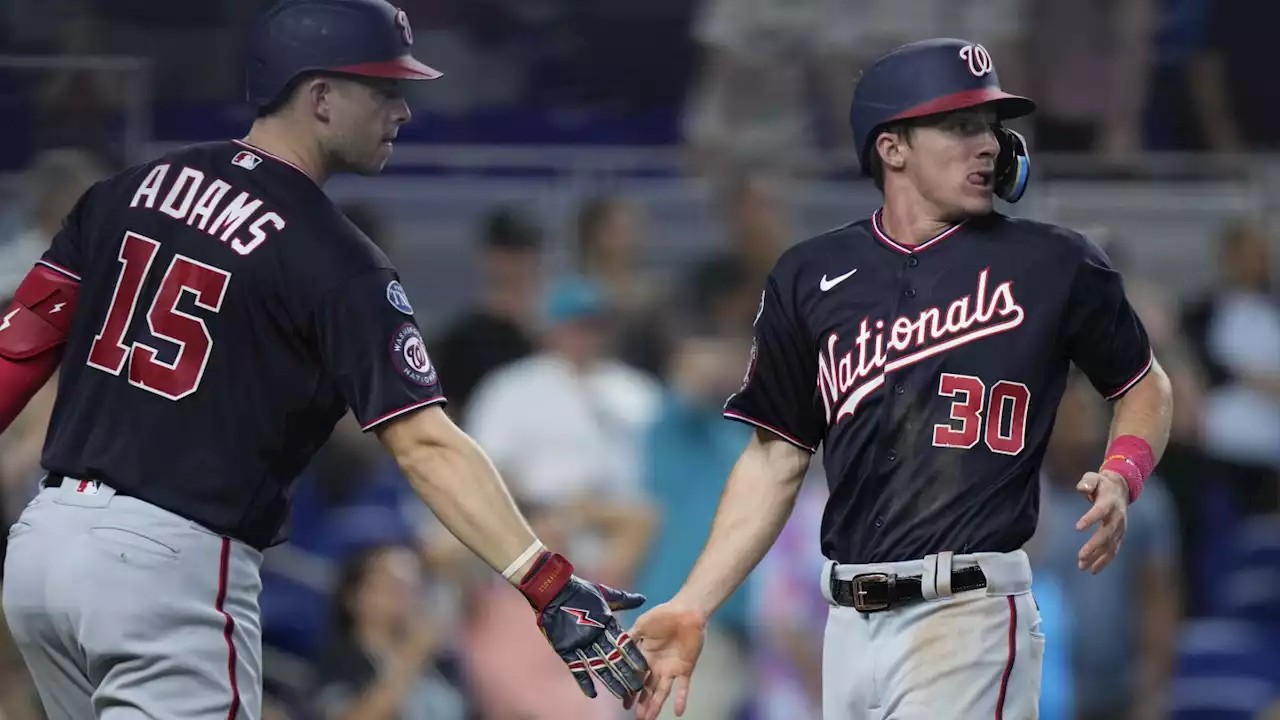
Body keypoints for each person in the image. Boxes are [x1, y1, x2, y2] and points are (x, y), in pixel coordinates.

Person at [0, 2, 647, 718]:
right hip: (164, 566)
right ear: (320, 97)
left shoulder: (129, 189)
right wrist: (546, 580)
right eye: (384, 89)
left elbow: (17, 344)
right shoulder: (334, 259)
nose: (401, 110)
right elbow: (427, 444)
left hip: (44, 545)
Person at [630, 38, 1174, 720]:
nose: (988, 144)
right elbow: (775, 456)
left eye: (991, 125)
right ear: (892, 148)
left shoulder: (1053, 264)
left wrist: (1123, 471)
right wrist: (692, 603)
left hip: (968, 611)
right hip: (846, 626)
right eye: (960, 124)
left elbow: (1144, 383)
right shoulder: (811, 275)